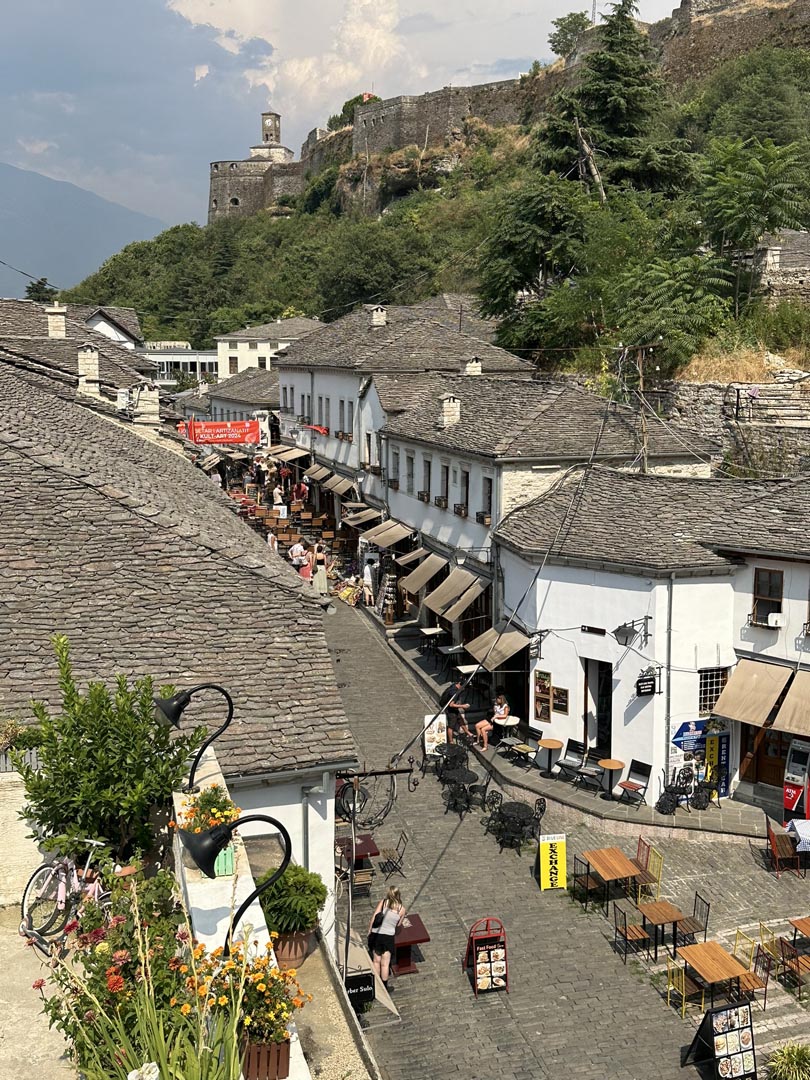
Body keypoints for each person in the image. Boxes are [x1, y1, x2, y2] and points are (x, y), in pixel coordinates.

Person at [368, 887, 407, 989]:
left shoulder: (383, 902)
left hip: (376, 934)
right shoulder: (401, 909)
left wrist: (369, 931)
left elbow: (374, 917)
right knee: (385, 964)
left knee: (376, 961)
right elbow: (398, 924)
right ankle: (384, 986)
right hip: (388, 937)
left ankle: (376, 985)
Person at [439, 679, 471, 744]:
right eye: (464, 688)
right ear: (462, 686)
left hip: (453, 709)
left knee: (461, 720)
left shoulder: (454, 685)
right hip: (450, 710)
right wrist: (463, 706)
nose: (464, 690)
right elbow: (451, 705)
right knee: (451, 726)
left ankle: (468, 733)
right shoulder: (454, 693)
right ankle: (451, 741)